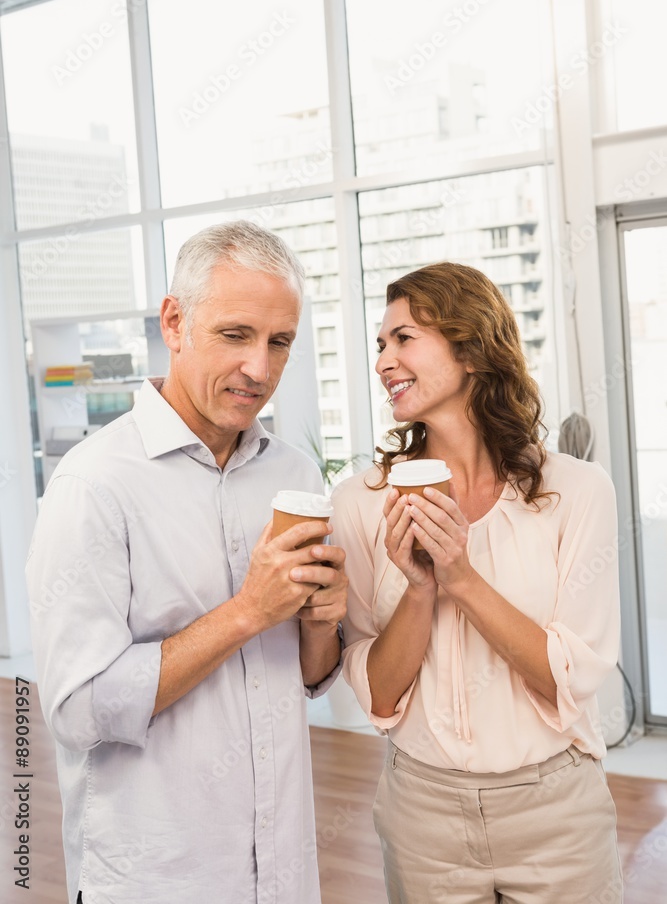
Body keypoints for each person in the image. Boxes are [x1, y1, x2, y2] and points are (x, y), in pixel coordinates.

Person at [26, 221, 348, 904]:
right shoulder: (94, 486)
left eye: (279, 341)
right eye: (235, 335)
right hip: (161, 878)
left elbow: (311, 676)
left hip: (284, 872)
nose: (259, 369)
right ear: (174, 322)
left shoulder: (290, 474)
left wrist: (322, 621)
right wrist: (246, 613)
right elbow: (78, 712)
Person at [333, 262, 622, 903]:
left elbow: (567, 677)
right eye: (380, 344)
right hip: (421, 815)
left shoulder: (575, 492)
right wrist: (420, 589)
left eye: (404, 338)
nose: (384, 360)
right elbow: (379, 695)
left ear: (470, 348)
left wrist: (460, 577)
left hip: (557, 812)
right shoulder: (358, 504)